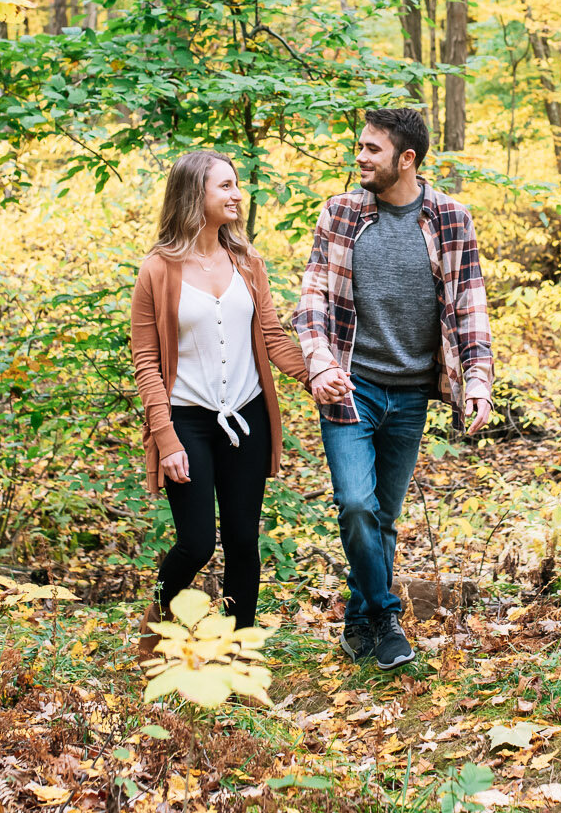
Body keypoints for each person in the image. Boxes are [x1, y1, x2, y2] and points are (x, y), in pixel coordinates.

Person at [295, 108, 493, 670]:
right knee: (355, 503)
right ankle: (386, 617)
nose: (359, 157)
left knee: (382, 515)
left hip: (410, 396)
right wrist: (320, 363)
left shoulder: (451, 218)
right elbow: (313, 300)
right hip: (348, 386)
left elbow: (470, 307)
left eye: (372, 150)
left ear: (406, 159)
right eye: (359, 146)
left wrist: (476, 381)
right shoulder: (340, 213)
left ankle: (359, 622)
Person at [130, 150, 312, 658]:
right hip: (187, 420)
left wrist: (313, 374)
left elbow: (272, 338)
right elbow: (146, 362)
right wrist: (165, 438)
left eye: (236, 185)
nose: (236, 194)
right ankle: (156, 627)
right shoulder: (157, 271)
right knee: (196, 543)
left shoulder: (248, 262)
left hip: (247, 415)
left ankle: (236, 649)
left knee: (241, 538)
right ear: (195, 196)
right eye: (225, 186)